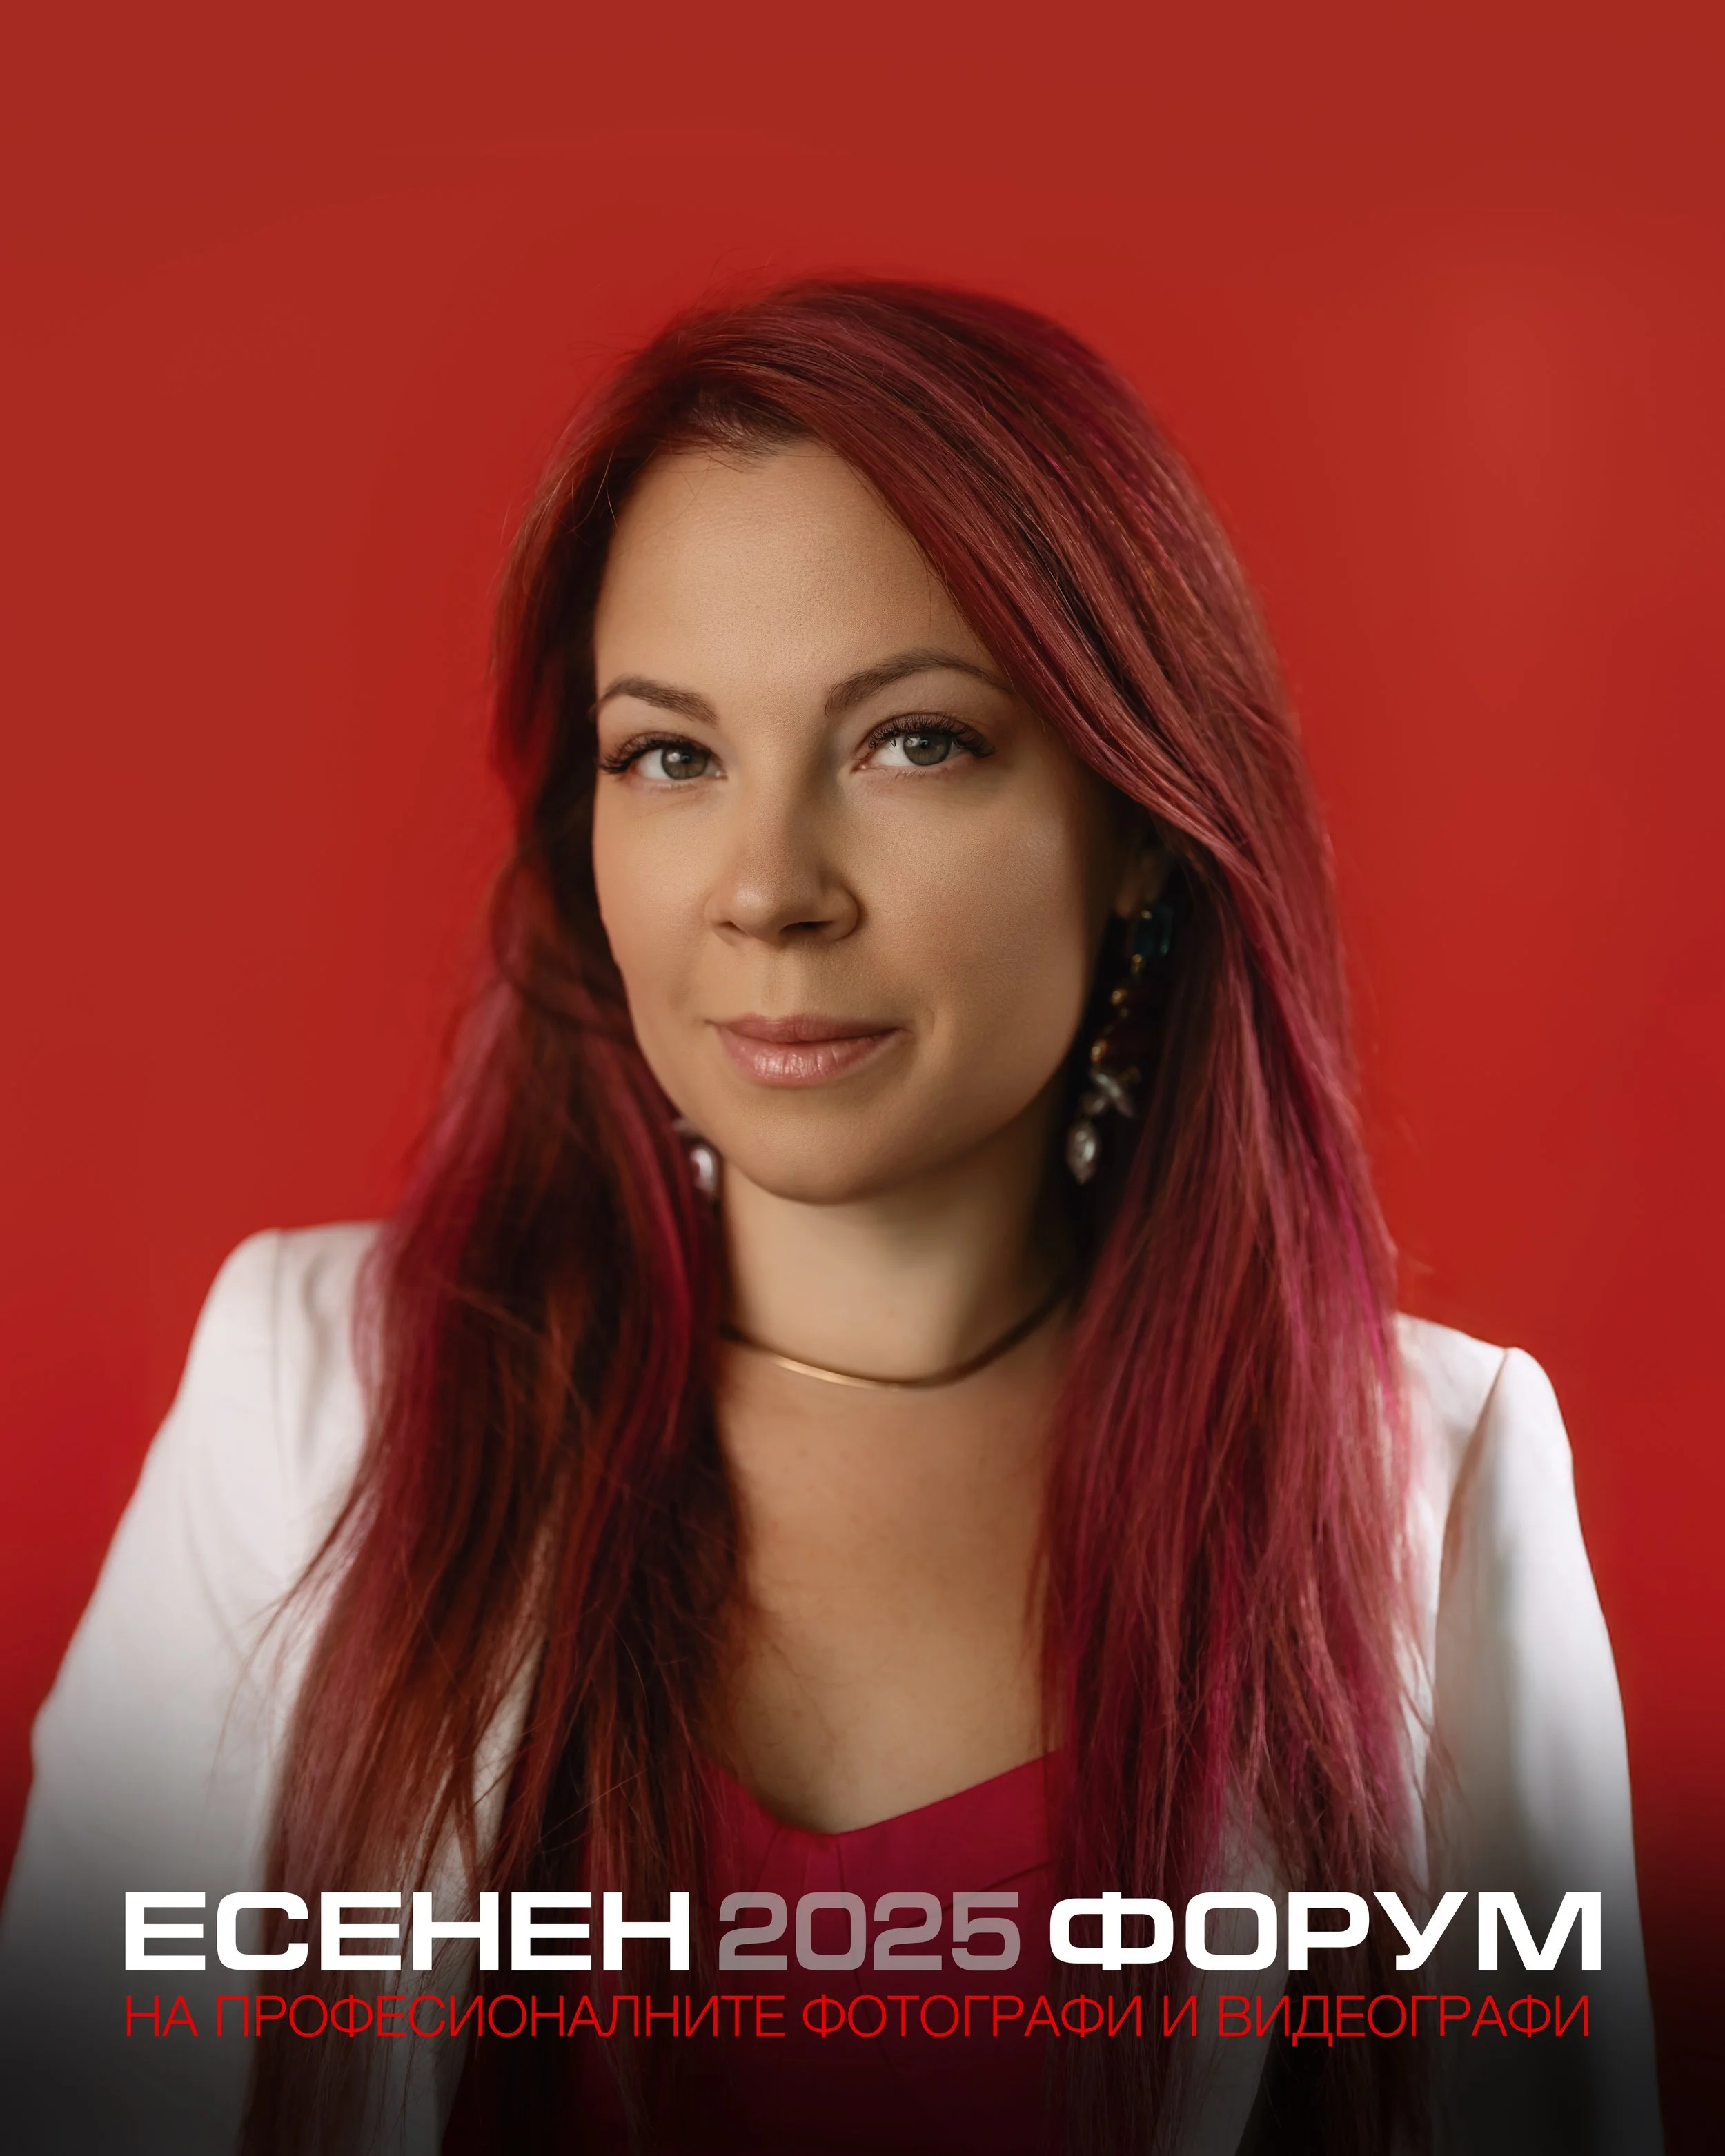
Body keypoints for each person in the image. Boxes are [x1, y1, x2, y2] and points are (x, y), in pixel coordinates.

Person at [0, 281, 1662, 2154]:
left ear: (1134, 823)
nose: (768, 886)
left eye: (912, 742)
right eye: (671, 753)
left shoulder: (1421, 1496)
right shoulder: (315, 1408)